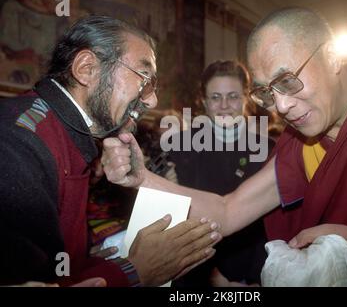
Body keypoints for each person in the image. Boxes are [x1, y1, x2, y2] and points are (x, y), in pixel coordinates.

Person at [103, 7, 347, 286]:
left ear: (331, 56)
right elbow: (229, 211)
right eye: (268, 93)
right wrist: (140, 178)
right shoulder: (301, 144)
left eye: (287, 80)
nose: (282, 107)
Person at [0, 15, 221, 287]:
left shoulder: (68, 132)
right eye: (145, 79)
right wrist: (135, 271)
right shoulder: (17, 145)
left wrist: (91, 266)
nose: (152, 100)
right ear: (87, 69)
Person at [170, 60, 274, 286]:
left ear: (246, 97)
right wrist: (214, 277)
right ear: (204, 101)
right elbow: (176, 216)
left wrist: (258, 279)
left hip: (255, 273)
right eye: (216, 97)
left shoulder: (268, 150)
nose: (224, 105)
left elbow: (271, 222)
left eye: (233, 96)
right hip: (197, 273)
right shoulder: (180, 147)